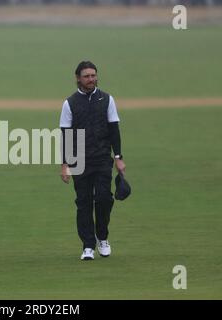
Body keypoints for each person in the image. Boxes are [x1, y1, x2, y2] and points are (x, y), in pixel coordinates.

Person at [59, 61, 126, 261]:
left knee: (104, 199)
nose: (91, 79)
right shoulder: (69, 103)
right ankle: (88, 245)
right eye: (87, 76)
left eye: (93, 75)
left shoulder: (107, 99)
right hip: (79, 160)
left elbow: (114, 130)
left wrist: (118, 157)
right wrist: (65, 164)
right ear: (78, 78)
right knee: (84, 203)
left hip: (102, 159)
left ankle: (102, 237)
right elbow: (66, 135)